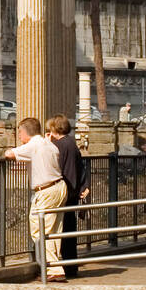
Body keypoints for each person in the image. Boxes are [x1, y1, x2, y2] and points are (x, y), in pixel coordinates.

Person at [6, 117, 69, 282]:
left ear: (26, 132)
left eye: (20, 132)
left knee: (40, 229)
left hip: (46, 190)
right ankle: (53, 266)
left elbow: (9, 154)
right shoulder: (49, 144)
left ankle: (54, 268)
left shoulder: (33, 145)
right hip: (59, 187)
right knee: (54, 230)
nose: (19, 135)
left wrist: (10, 151)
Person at [48, 115, 88, 276]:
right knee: (69, 231)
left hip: (63, 192)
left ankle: (61, 266)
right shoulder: (72, 144)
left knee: (59, 229)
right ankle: (71, 266)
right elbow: (81, 168)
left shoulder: (59, 146)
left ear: (55, 129)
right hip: (73, 191)